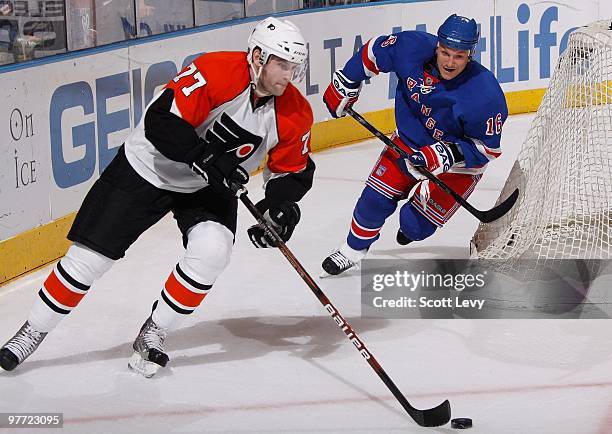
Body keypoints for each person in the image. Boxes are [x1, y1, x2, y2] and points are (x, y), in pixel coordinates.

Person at [0, 17, 315, 378]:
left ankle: (155, 331)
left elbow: (292, 171)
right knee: (90, 259)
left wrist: (281, 206)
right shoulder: (216, 70)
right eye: (282, 64)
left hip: (205, 186)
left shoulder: (294, 111)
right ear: (257, 56)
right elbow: (161, 122)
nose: (288, 75)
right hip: (147, 167)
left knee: (212, 252)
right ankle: (34, 328)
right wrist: (208, 158)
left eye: (294, 67)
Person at [320, 14, 508, 275]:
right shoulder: (411, 47)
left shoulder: (485, 95)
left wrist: (443, 154)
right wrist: (347, 82)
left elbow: (486, 149)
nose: (450, 62)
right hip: (408, 142)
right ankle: (351, 250)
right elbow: (373, 52)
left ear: (470, 53)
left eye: (459, 56)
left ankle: (414, 217)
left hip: (457, 165)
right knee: (373, 201)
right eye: (445, 52)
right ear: (437, 45)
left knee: (414, 227)